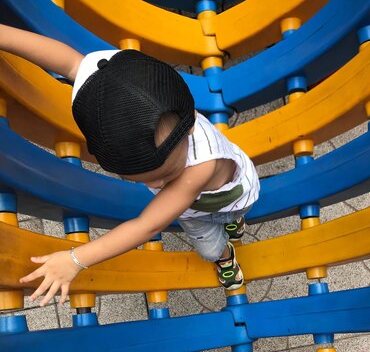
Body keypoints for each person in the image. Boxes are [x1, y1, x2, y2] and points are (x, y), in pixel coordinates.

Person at [0, 25, 260, 306]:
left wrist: (75, 260)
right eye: (144, 180)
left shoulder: (199, 169)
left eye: (165, 175)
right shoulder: (109, 81)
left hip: (233, 192)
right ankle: (227, 244)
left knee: (217, 234)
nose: (158, 186)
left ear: (189, 126)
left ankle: (229, 237)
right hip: (200, 204)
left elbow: (146, 226)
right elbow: (69, 61)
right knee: (215, 238)